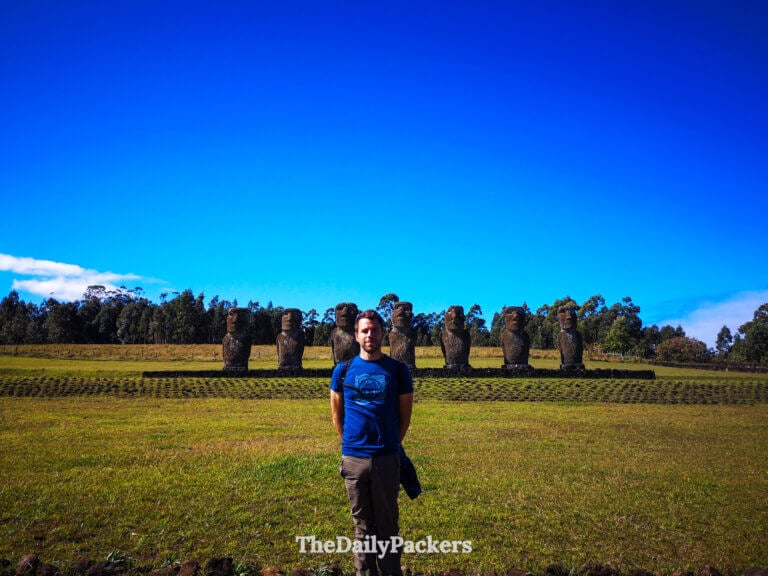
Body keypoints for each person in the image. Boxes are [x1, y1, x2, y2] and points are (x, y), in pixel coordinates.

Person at [330, 309, 414, 576]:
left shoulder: (398, 370)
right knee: (362, 527)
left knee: (388, 526)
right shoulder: (342, 371)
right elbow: (336, 415)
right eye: (364, 330)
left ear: (383, 334)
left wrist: (387, 446)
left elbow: (404, 417)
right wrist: (353, 446)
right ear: (356, 335)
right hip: (354, 460)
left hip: (386, 458)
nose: (370, 335)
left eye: (375, 330)